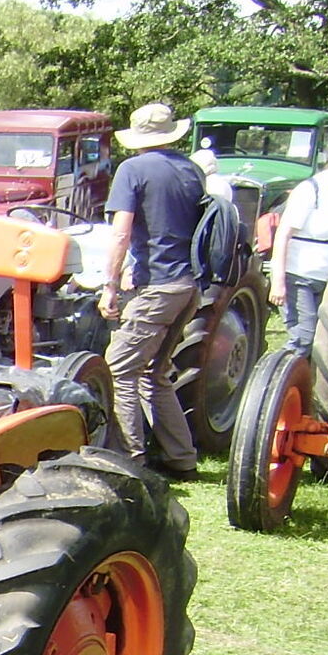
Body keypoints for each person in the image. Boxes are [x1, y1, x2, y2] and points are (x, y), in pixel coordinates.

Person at [99, 102, 205, 478]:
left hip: (159, 285)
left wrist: (109, 284)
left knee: (118, 369)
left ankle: (130, 461)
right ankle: (181, 457)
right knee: (155, 373)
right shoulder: (190, 170)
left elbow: (121, 232)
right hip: (188, 286)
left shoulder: (133, 169)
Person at [270, 135, 328, 356]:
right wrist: (278, 282)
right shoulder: (310, 189)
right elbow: (283, 235)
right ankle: (280, 383)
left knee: (325, 340)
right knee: (303, 336)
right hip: (300, 275)